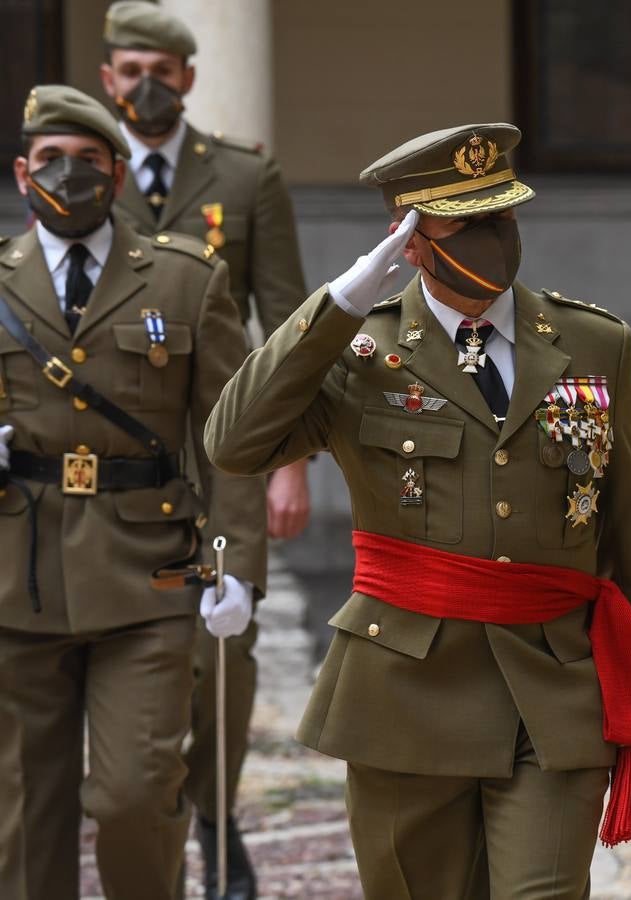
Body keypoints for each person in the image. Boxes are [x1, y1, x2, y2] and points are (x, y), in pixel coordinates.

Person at [205, 123, 631, 898]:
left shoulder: (591, 341)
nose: (492, 239)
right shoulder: (358, 352)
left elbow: (628, 530)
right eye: (467, 224)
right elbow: (234, 442)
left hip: (552, 686)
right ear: (412, 240)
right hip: (404, 692)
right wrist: (342, 302)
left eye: (502, 218)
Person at [0, 84, 265, 900]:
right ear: (21, 174)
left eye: (88, 161)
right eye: (51, 160)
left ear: (119, 176)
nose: (69, 175)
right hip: (17, 576)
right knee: (23, 812)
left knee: (134, 796)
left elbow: (230, 436)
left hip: (149, 574)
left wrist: (234, 563)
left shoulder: (185, 280)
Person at [98, 4, 309, 893]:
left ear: (188, 77)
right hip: (115, 456)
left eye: (163, 67)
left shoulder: (245, 175)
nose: (146, 82)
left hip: (227, 451)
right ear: (109, 78)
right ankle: (151, 823)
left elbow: (290, 321)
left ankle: (220, 822)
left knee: (223, 650)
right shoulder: (80, 167)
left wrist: (290, 458)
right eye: (129, 66)